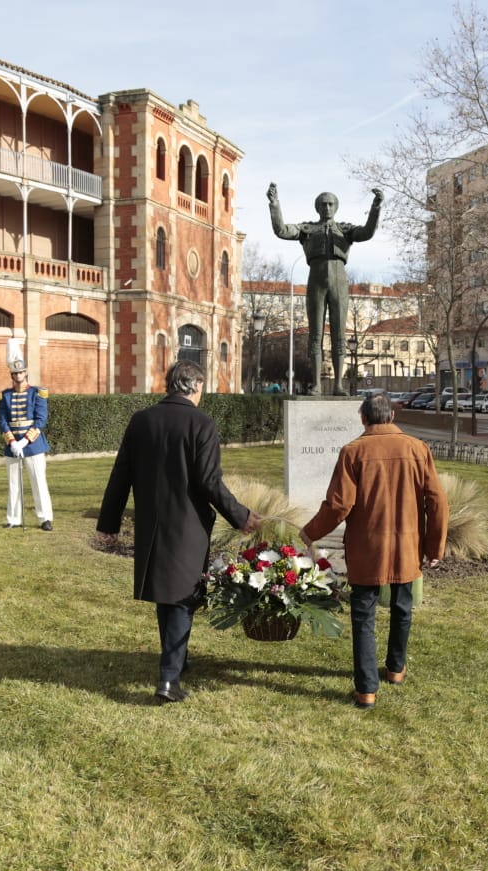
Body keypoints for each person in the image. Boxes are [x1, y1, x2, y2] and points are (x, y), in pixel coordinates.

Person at [96, 360, 262, 702]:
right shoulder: (202, 424)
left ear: (169, 384)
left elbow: (120, 476)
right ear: (196, 387)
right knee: (182, 598)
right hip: (187, 526)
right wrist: (241, 516)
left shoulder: (141, 421)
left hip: (152, 524)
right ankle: (169, 678)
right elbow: (209, 482)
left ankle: (177, 661)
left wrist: (108, 525)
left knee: (167, 594)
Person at [301, 393, 448, 709]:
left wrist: (309, 532)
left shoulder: (353, 451)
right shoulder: (417, 449)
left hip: (367, 547)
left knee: (364, 615)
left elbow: (339, 505)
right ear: (392, 416)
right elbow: (437, 501)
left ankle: (367, 689)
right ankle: (396, 668)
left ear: (363, 418)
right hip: (407, 545)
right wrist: (435, 546)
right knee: (402, 606)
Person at [268, 183, 382, 395]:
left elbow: (366, 232)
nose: (327, 207)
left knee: (339, 336)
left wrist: (376, 206)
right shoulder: (307, 229)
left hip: (340, 282)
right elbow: (282, 230)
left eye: (330, 204)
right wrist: (274, 204)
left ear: (336, 207)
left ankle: (338, 385)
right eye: (323, 204)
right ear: (317, 207)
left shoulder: (345, 230)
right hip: (316, 281)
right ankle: (317, 385)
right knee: (315, 335)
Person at [0, 361, 54, 530]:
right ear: (12, 375)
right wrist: (13, 442)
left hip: (33, 445)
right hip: (13, 446)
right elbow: (2, 421)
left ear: (25, 373)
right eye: (15, 373)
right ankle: (14, 519)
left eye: (20, 372)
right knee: (13, 483)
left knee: (38, 482)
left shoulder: (37, 393)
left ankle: (45, 518)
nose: (18, 376)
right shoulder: (4, 395)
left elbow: (40, 420)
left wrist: (25, 441)